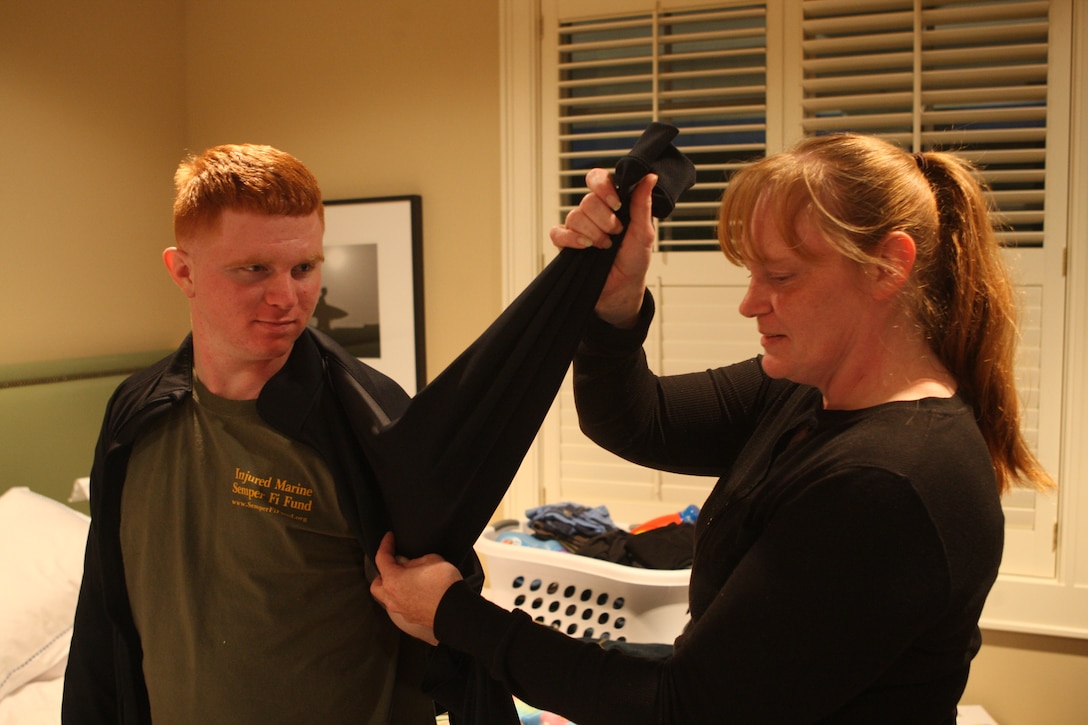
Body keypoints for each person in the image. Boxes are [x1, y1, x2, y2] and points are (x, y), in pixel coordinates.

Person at [370, 133, 1054, 724]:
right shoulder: (805, 392)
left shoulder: (889, 482)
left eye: (780, 275)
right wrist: (614, 302)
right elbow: (636, 419)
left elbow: (682, 710)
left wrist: (456, 617)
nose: (751, 301)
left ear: (889, 266)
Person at [62, 144, 438, 723]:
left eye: (305, 268)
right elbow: (102, 615)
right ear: (183, 271)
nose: (287, 297)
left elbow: (439, 631)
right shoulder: (134, 414)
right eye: (254, 269)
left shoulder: (371, 420)